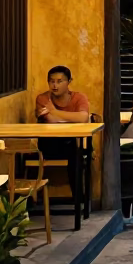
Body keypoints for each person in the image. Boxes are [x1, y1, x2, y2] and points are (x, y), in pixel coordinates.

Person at [36, 66, 90, 194]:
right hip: (50, 144)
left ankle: (78, 199)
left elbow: (83, 118)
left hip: (74, 144)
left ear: (69, 81)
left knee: (76, 152)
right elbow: (51, 120)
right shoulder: (43, 98)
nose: (55, 85)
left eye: (59, 81)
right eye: (52, 81)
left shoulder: (79, 98)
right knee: (74, 149)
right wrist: (73, 118)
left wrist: (55, 111)